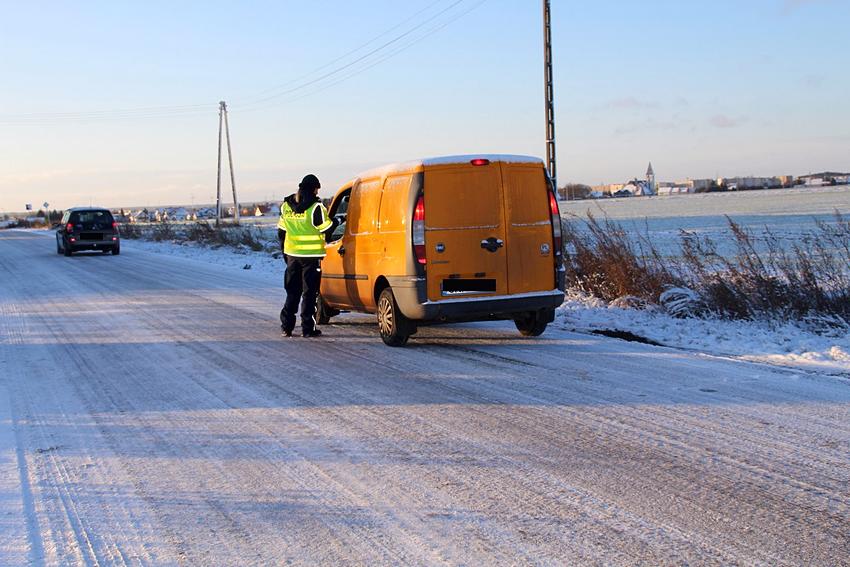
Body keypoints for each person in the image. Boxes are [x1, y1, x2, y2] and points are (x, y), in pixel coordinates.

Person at [277, 174, 334, 337]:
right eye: (317, 189)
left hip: (292, 257)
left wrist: (285, 253)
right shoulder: (316, 208)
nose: (317, 192)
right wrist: (336, 221)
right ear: (314, 189)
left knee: (292, 292)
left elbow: (281, 232)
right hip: (311, 258)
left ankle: (286, 327)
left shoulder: (286, 206)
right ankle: (308, 329)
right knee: (309, 294)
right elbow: (326, 229)